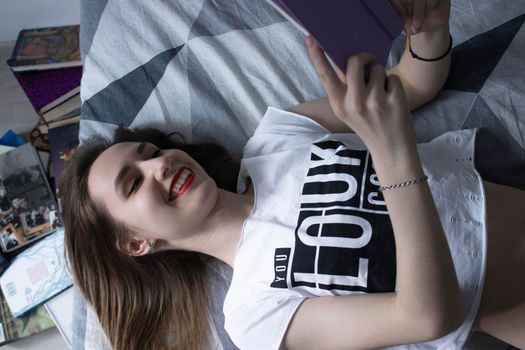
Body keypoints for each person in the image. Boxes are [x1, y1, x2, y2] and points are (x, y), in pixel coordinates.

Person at [60, 1, 525, 349]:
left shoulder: (277, 136)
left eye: (149, 153)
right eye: (134, 183)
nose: (159, 164)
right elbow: (427, 318)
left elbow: (410, 86)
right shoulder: (252, 315)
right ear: (138, 244)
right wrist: (392, 154)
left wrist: (429, 33)